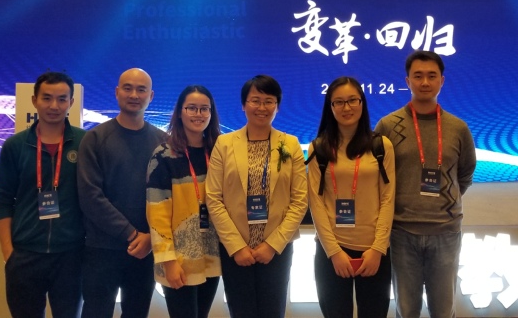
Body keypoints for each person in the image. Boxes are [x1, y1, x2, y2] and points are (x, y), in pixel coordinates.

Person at [374, 51, 477, 318]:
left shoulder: (458, 128)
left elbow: (465, 173)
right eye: (417, 76)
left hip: (445, 231)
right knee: (406, 310)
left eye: (432, 76)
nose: (425, 82)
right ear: (407, 81)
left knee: (443, 310)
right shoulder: (388, 125)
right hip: (401, 231)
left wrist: (447, 201)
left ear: (442, 81)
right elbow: (377, 175)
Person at [205, 75, 308, 318]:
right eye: (255, 100)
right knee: (241, 311)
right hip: (236, 248)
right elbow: (214, 197)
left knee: (273, 311)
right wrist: (236, 246)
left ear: (277, 106)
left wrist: (272, 245)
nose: (262, 107)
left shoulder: (291, 143)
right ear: (243, 105)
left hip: (276, 249)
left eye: (269, 101)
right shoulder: (224, 143)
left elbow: (300, 200)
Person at [0, 71, 85, 318]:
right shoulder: (14, 146)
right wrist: (9, 253)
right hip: (25, 255)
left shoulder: (85, 143)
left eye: (62, 99)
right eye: (47, 98)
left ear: (71, 102)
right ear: (34, 100)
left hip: (70, 255)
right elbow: (3, 200)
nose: (54, 106)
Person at [77, 68, 167, 318]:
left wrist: (150, 238)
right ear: (117, 92)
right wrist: (131, 233)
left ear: (151, 96)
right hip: (101, 249)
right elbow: (90, 196)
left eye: (141, 89)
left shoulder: (163, 142)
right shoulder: (95, 138)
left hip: (145, 250)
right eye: (128, 88)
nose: (134, 95)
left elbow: (168, 199)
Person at [307, 77, 395, 318]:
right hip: (332, 251)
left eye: (352, 100)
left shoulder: (381, 146)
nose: (346, 107)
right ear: (330, 107)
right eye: (339, 102)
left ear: (362, 103)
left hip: (373, 252)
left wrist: (378, 248)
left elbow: (388, 199)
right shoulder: (318, 147)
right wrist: (334, 252)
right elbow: (316, 203)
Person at [146, 85, 222, 318]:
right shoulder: (164, 154)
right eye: (191, 108)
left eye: (204, 109)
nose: (198, 114)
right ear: (180, 112)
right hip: (179, 259)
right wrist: (168, 261)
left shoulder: (219, 151)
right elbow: (157, 212)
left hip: (213, 254)